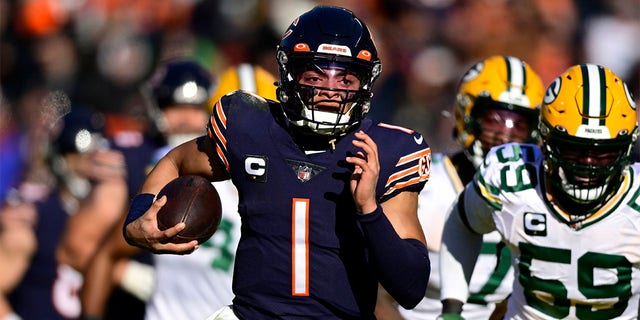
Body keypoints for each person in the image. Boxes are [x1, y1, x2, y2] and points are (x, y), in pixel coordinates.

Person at [123, 5, 432, 320]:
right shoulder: (250, 127)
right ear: (289, 73)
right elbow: (176, 160)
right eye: (315, 76)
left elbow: (410, 288)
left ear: (365, 83)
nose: (329, 90)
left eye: (345, 80)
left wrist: (369, 209)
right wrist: (138, 218)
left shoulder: (387, 151)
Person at [439, 63, 640, 319]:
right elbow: (462, 222)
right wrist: (453, 307)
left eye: (603, 153)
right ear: (544, 140)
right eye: (573, 149)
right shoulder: (510, 175)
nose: (587, 164)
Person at [80, 59, 278, 320]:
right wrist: (125, 271)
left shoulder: (288, 189)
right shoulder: (181, 177)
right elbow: (101, 250)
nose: (252, 137)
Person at [376, 55, 545, 320]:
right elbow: (373, 292)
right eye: (493, 121)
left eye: (519, 125)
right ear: (467, 115)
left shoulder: (537, 195)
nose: (505, 136)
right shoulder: (423, 182)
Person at [0, 109, 128, 319]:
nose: (89, 168)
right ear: (60, 160)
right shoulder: (33, 215)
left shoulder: (120, 210)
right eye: (79, 158)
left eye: (95, 157)